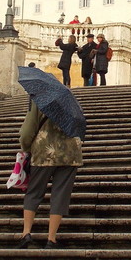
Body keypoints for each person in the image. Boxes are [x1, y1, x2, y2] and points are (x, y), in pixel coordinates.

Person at [16, 98, 84, 249]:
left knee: (34, 192)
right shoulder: (70, 101)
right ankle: (51, 239)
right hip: (69, 153)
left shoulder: (39, 99)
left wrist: (25, 146)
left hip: (44, 151)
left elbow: (28, 129)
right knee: (60, 195)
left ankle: (26, 233)